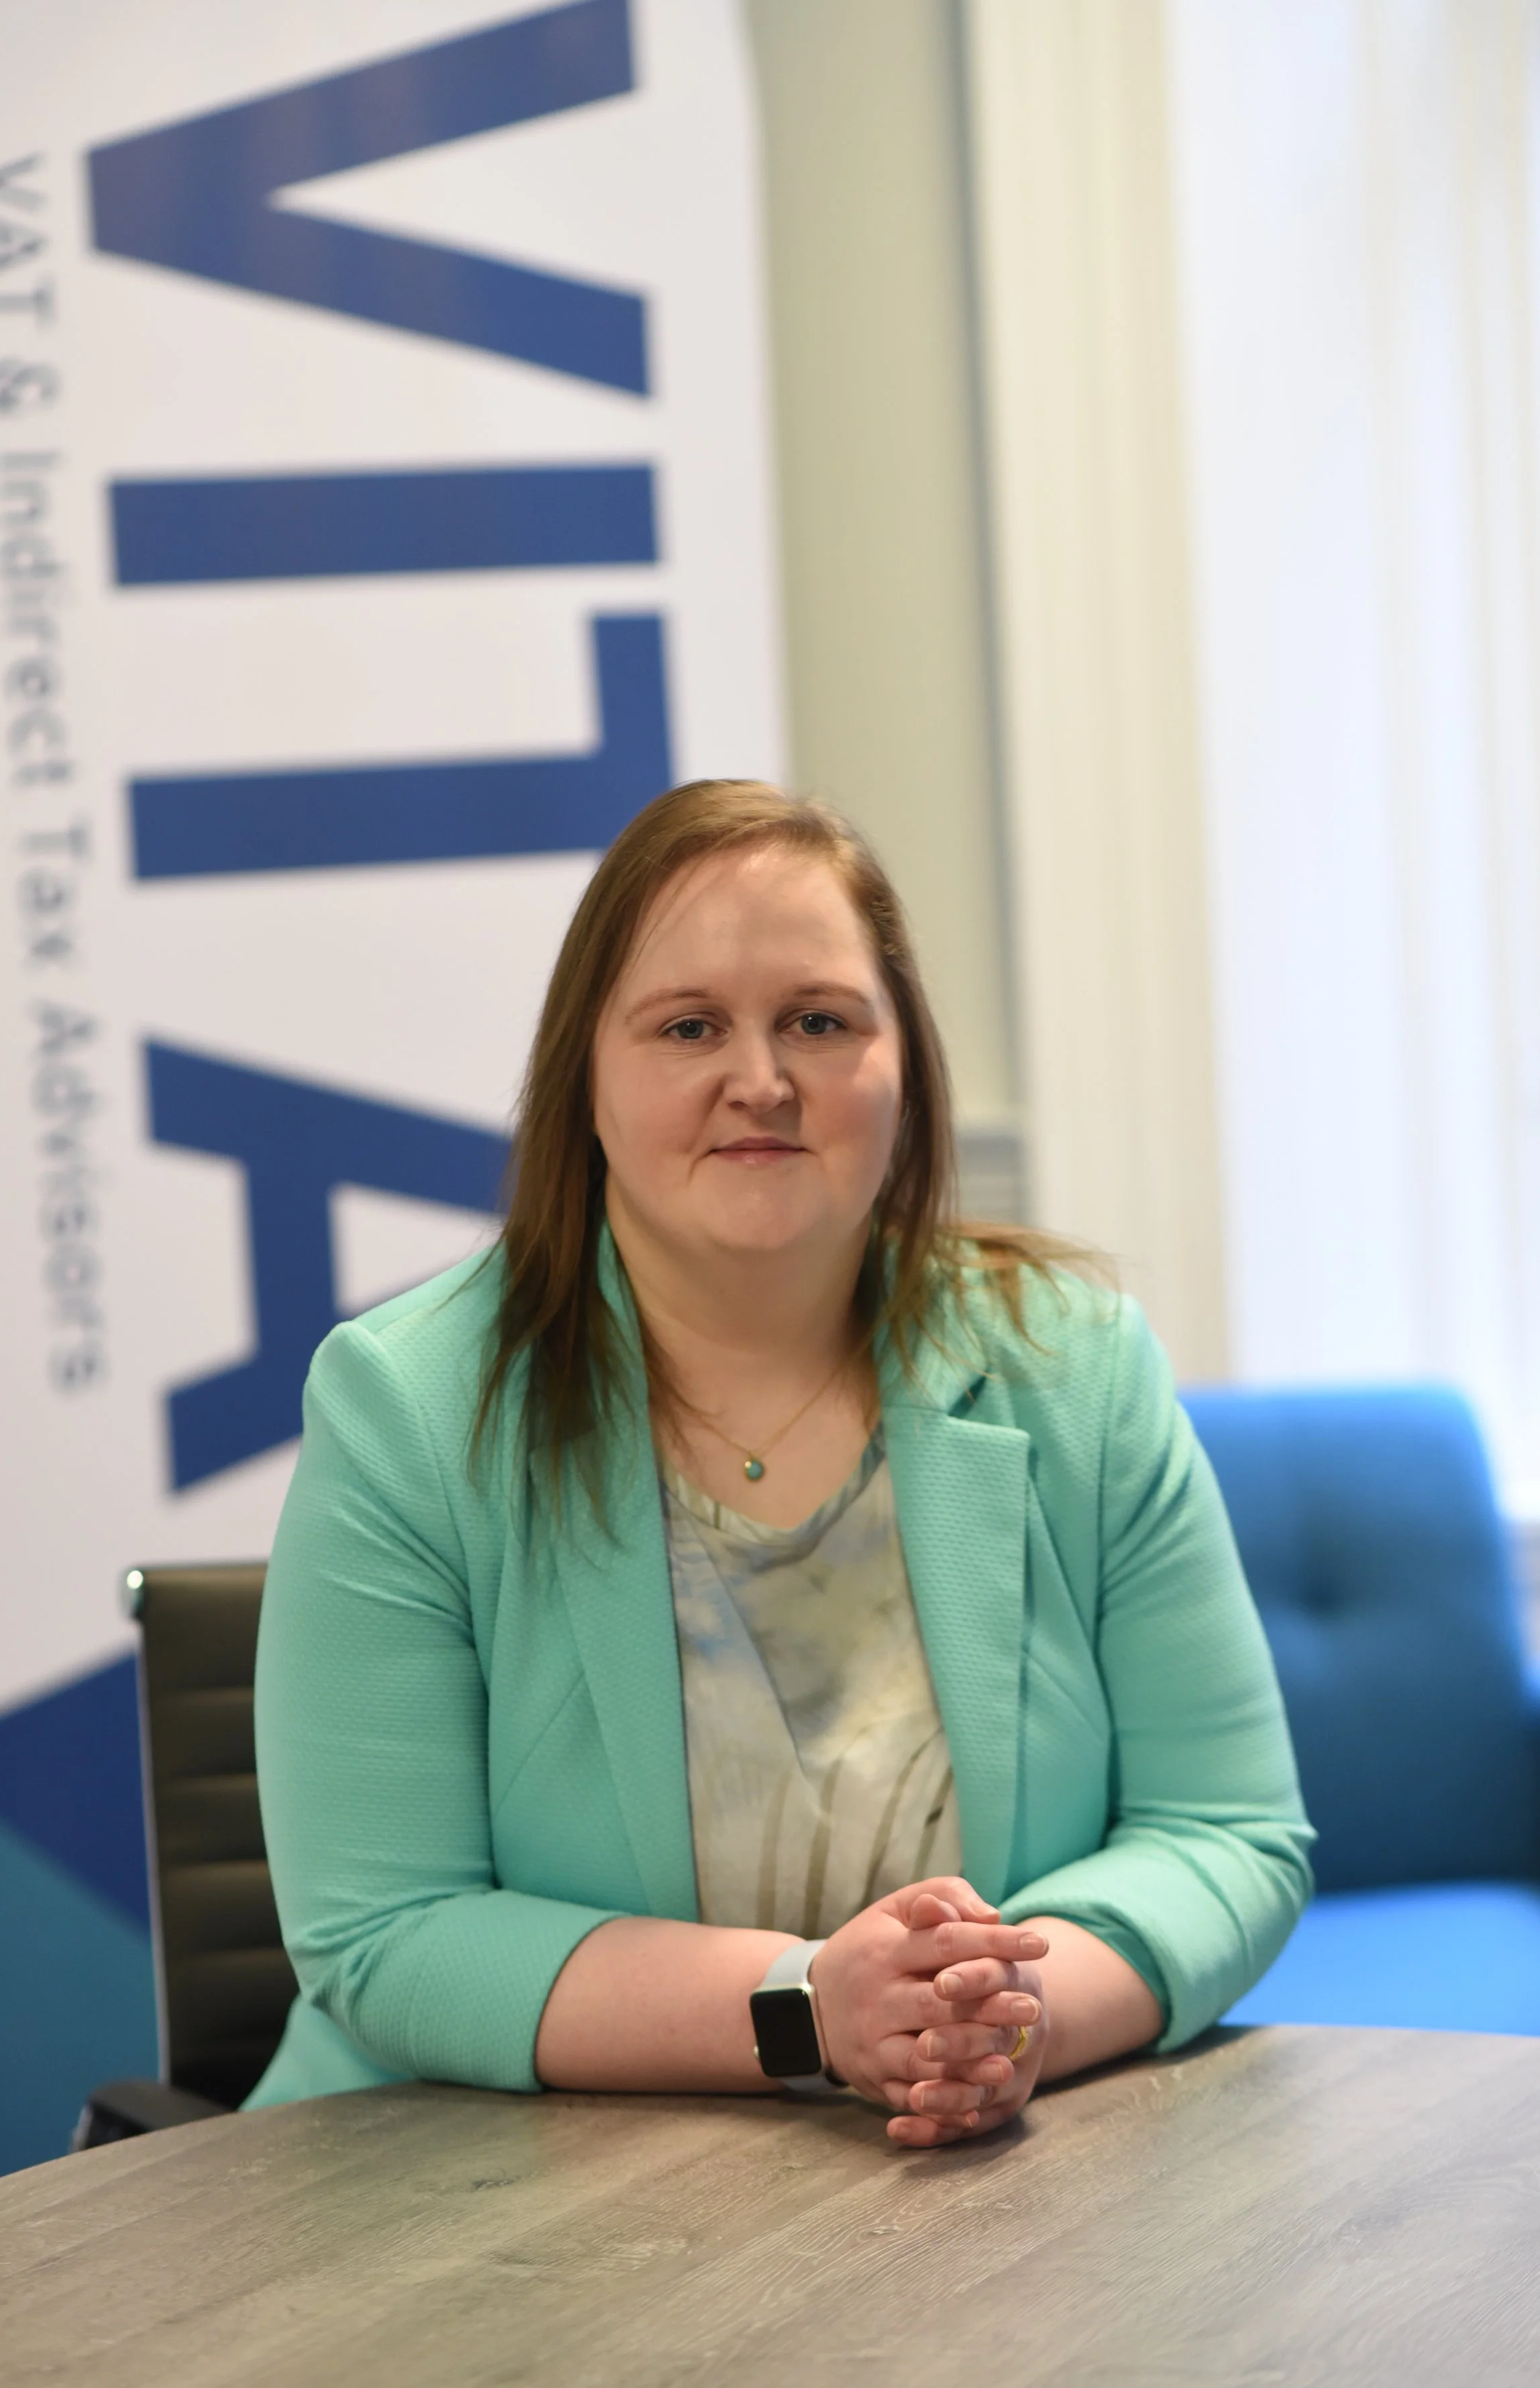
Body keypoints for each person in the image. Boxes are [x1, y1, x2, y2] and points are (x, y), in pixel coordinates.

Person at [248, 782, 1311, 2147]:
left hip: (965, 2187)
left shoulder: (1072, 1365)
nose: (759, 1077)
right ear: (588, 1076)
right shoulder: (410, 1409)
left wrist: (998, 2026)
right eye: (688, 1027)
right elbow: (386, 1933)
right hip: (477, 2195)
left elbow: (1228, 1833)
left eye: (817, 1021)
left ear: (901, 1071)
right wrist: (811, 2009)